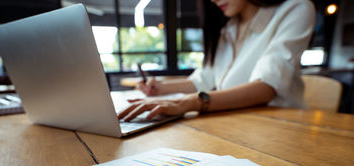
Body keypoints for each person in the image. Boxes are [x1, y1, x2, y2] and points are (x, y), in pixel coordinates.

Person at [118, 0, 316, 122]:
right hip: (236, 121)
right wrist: (160, 89)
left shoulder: (296, 8)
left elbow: (266, 87)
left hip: (281, 127)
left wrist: (189, 102)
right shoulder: (227, 28)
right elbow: (202, 80)